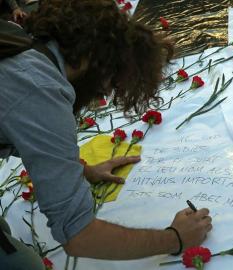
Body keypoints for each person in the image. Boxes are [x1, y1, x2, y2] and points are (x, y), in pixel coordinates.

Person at [0, 0, 212, 269]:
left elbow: (22, 125)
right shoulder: (40, 89)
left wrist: (81, 169)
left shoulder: (20, 39)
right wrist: (176, 238)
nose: (102, 95)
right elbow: (79, 237)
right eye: (108, 82)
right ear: (90, 59)